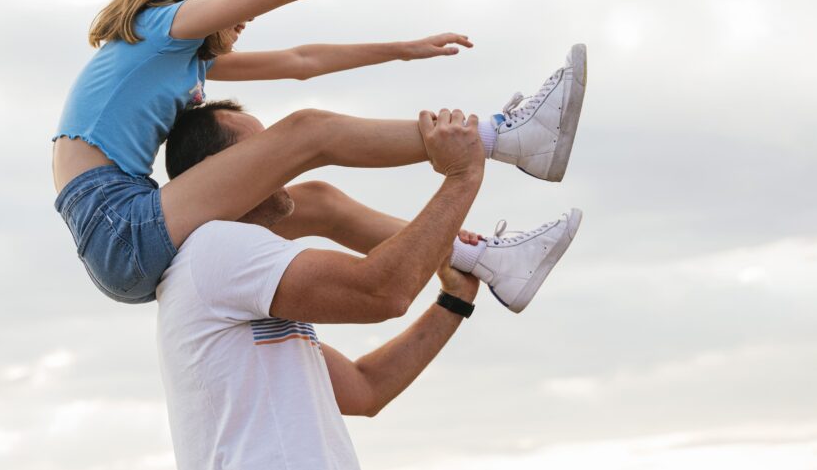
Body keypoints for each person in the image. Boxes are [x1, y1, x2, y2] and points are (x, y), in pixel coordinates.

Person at [52, 0, 589, 304]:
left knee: (317, 202)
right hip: (118, 224)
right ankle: (505, 138)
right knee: (309, 130)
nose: (247, 15)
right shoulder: (160, 26)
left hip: (125, 236)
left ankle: (486, 261)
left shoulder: (180, 60)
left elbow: (299, 61)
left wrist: (401, 48)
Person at [156, 105, 582, 469]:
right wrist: (462, 175)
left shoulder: (223, 269)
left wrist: (453, 302)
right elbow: (381, 292)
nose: (281, 161)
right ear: (220, 172)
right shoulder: (215, 247)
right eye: (263, 150)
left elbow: (365, 388)